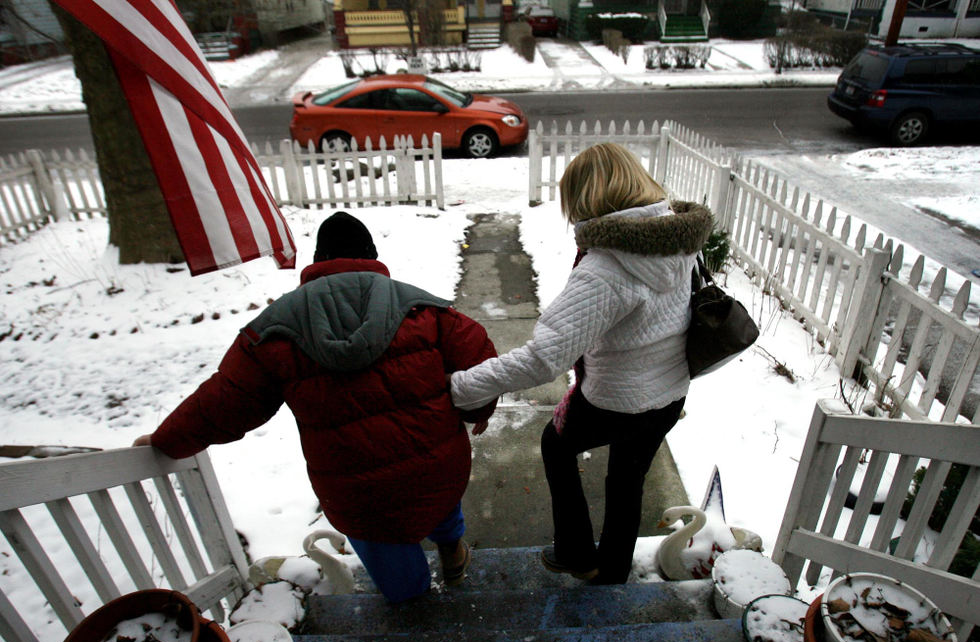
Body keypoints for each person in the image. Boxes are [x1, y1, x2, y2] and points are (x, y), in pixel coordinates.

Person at [135, 211, 497, 603]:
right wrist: (477, 412)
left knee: (397, 573)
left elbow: (223, 403)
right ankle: (452, 552)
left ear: (318, 261)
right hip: (435, 465)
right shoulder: (422, 309)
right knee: (438, 500)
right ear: (372, 256)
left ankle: (415, 607)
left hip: (356, 492)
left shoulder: (275, 329)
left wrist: (165, 440)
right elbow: (480, 360)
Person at [450, 143, 713, 585]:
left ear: (585, 199)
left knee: (557, 445)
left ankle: (577, 551)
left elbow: (543, 359)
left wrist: (462, 386)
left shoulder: (607, 269)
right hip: (668, 393)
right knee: (627, 480)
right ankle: (610, 571)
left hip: (616, 402)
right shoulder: (679, 238)